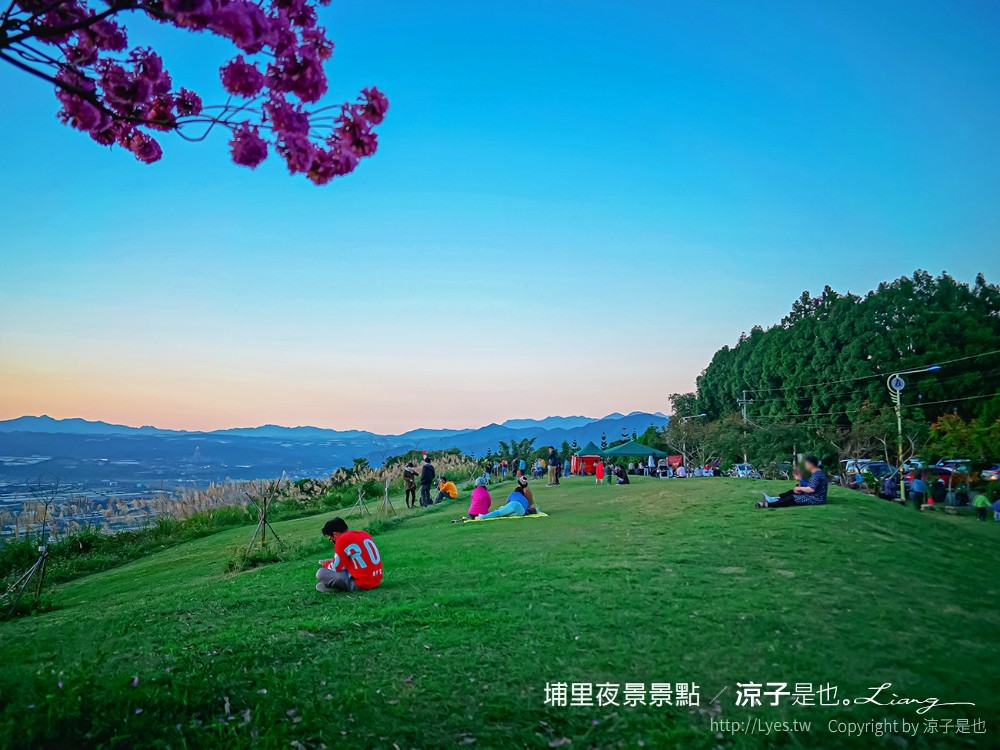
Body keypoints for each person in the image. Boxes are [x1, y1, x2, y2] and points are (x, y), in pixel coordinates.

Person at [315, 517, 383, 593]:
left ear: (335, 534)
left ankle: (337, 586)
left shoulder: (342, 539)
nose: (331, 540)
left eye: (331, 538)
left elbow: (335, 568)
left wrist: (326, 564)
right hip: (376, 580)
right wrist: (331, 560)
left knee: (320, 573)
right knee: (344, 568)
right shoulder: (364, 533)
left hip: (361, 584)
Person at [755, 456, 828, 508]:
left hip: (816, 499)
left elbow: (812, 489)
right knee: (792, 492)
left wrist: (800, 488)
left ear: (811, 464)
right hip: (813, 496)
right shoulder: (817, 473)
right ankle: (774, 499)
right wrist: (800, 485)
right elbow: (811, 485)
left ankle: (768, 504)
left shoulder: (817, 474)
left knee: (792, 498)